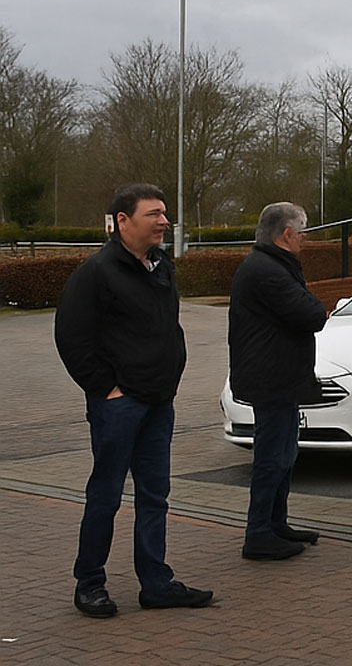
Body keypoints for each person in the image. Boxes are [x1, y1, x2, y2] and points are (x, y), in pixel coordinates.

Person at [53, 184, 214, 618]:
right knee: (106, 495)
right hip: (119, 406)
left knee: (155, 494)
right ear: (122, 221)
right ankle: (89, 584)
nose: (164, 221)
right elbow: (71, 337)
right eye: (153, 214)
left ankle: (156, 584)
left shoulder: (162, 265)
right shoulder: (97, 272)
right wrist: (106, 389)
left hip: (159, 402)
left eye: (165, 213)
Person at [227, 202, 330, 561]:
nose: (304, 240)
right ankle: (258, 534)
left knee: (284, 454)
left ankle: (276, 523)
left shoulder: (270, 265)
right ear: (286, 234)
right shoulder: (267, 270)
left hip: (277, 378)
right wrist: (315, 306)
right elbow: (312, 313)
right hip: (270, 380)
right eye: (301, 233)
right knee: (272, 456)